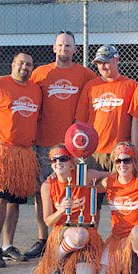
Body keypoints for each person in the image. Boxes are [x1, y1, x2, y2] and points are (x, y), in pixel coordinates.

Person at [25, 31, 97, 259]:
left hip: (75, 146)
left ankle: (81, 234)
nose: (64, 48)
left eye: (68, 45)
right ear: (54, 48)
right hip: (46, 142)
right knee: (44, 192)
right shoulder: (40, 73)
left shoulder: (85, 74)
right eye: (60, 45)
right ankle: (44, 238)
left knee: (79, 190)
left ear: (75, 49)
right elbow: (22, 90)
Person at [0, 52, 42, 268]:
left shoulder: (35, 90)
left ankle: (7, 245)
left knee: (15, 203)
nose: (25, 67)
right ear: (12, 64)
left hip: (23, 154)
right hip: (1, 151)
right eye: (21, 63)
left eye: (29, 64)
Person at [33, 145, 107, 274]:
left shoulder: (85, 176)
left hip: (87, 234)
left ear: (72, 162)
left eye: (63, 159)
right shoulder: (48, 185)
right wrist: (61, 210)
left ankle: (69, 262)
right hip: (64, 233)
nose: (58, 163)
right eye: (53, 160)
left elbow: (112, 176)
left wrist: (105, 183)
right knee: (79, 235)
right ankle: (54, 259)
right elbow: (48, 222)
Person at [96, 142, 138, 274]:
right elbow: (87, 190)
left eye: (127, 160)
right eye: (118, 160)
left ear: (134, 162)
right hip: (118, 238)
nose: (122, 164)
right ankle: (129, 264)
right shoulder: (108, 182)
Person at [76, 44, 137, 172]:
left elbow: (137, 121)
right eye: (99, 63)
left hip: (121, 151)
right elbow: (80, 122)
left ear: (116, 60)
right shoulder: (90, 87)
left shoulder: (131, 85)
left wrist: (134, 147)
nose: (102, 67)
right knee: (94, 189)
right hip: (94, 151)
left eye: (106, 62)